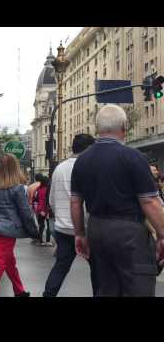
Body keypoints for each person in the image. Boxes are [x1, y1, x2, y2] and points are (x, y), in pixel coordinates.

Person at [71, 104, 164, 297]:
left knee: (105, 287)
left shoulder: (82, 160)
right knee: (138, 287)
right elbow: (150, 202)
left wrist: (80, 234)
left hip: (96, 229)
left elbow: (75, 202)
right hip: (129, 233)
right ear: (124, 127)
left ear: (97, 128)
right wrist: (162, 235)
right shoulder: (134, 157)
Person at [42, 134, 98, 297]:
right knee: (97, 268)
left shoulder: (59, 168)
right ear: (88, 148)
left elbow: (51, 199)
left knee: (60, 266)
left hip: (63, 229)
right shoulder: (89, 167)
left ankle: (48, 294)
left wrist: (61, 217)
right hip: (86, 228)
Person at [0, 154, 33, 297]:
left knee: (8, 260)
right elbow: (25, 212)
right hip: (8, 229)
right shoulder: (16, 188)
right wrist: (33, 231)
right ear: (15, 166)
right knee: (0, 261)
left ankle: (19, 290)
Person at [33, 175, 52, 246]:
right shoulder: (48, 189)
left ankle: (41, 240)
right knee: (49, 225)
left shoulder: (38, 189)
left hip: (40, 209)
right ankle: (48, 241)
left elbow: (36, 198)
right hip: (46, 209)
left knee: (41, 225)